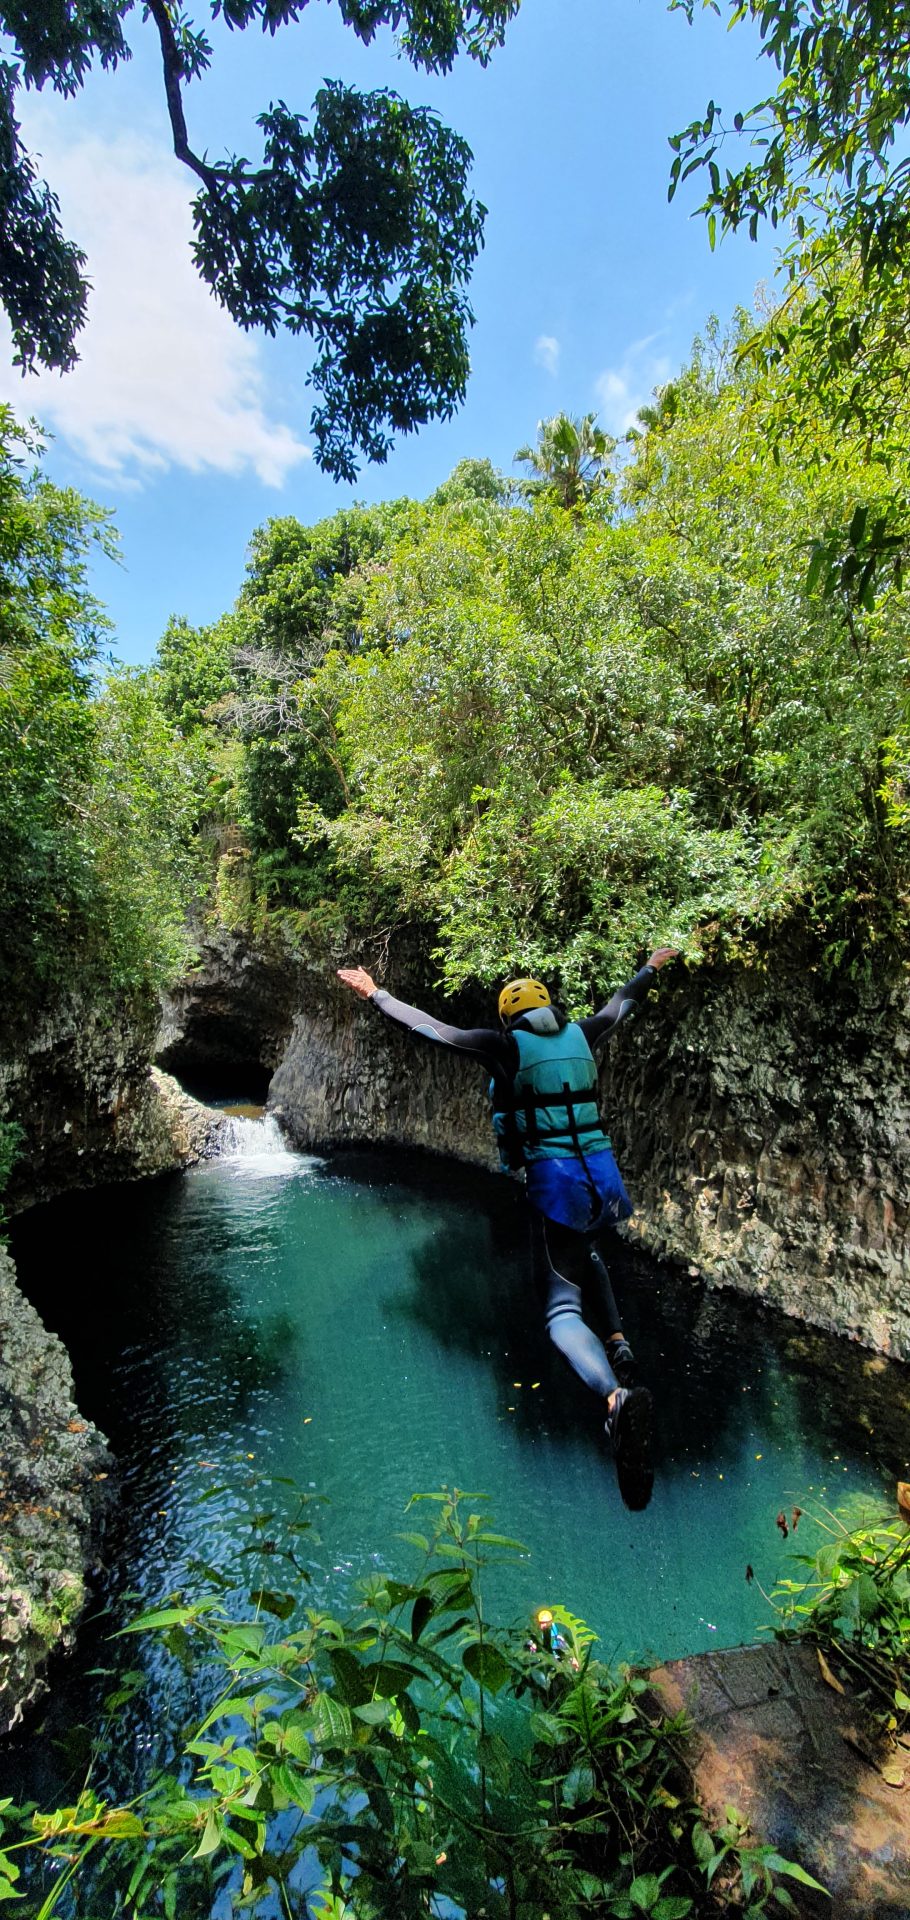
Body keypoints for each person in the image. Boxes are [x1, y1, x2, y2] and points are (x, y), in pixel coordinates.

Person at [337, 950, 678, 1509]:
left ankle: (615, 1398)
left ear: (507, 1020)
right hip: (603, 1180)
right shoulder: (583, 1033)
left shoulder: (506, 1048)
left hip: (557, 1186)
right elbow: (622, 1004)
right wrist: (651, 967)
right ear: (549, 1008)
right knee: (586, 1252)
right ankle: (618, 1342)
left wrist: (375, 993)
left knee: (560, 1311)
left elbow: (433, 1030)